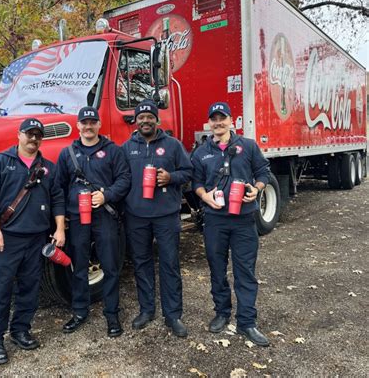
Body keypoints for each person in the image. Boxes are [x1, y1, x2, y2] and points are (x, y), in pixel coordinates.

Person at [0, 118, 66, 365]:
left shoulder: (48, 168)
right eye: (29, 133)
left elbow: (58, 199)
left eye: (38, 135)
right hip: (7, 239)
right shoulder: (0, 162)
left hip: (37, 239)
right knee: (0, 289)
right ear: (19, 135)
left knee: (29, 288)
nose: (33, 138)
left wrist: (60, 228)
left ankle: (20, 330)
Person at [191, 102, 270, 347]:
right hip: (214, 220)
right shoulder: (201, 153)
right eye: (214, 119)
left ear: (231, 120)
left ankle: (247, 322)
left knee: (245, 271)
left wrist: (256, 189)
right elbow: (196, 182)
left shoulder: (248, 146)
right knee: (217, 269)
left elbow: (263, 172)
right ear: (209, 123)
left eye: (222, 118)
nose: (218, 123)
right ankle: (222, 313)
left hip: (244, 220)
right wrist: (204, 197)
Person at [56, 107, 130, 337]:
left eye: (92, 122)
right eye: (84, 122)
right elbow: (58, 187)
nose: (88, 126)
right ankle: (79, 312)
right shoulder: (67, 153)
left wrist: (106, 195)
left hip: (105, 216)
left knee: (110, 266)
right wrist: (62, 218)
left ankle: (112, 314)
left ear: (99, 124)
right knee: (79, 266)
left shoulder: (113, 151)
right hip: (77, 218)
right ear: (78, 125)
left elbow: (125, 179)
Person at [122, 100, 192, 338]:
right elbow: (120, 179)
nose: (145, 121)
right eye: (141, 117)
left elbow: (188, 172)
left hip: (166, 215)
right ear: (136, 121)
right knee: (141, 263)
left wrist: (170, 177)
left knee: (169, 264)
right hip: (136, 216)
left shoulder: (173, 145)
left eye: (149, 117)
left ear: (156, 119)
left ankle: (173, 315)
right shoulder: (126, 148)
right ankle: (147, 310)